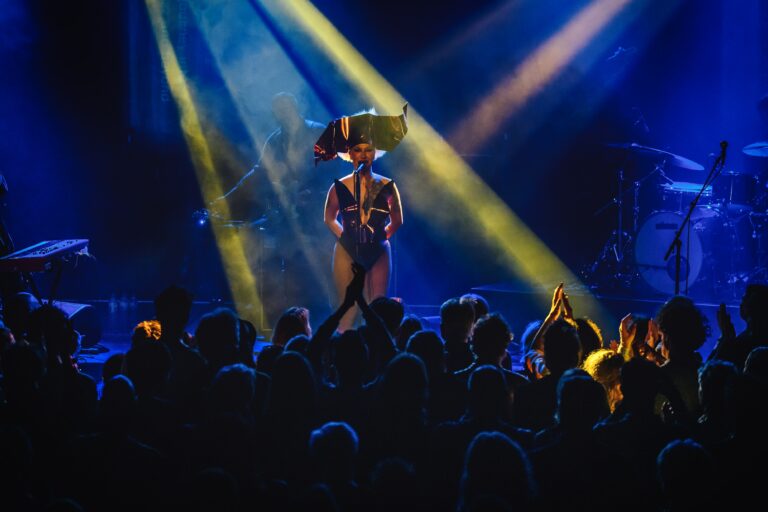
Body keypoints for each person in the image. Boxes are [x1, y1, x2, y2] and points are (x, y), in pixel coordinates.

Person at [315, 106, 408, 331]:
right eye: (358, 149)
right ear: (350, 153)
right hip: (347, 249)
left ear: (375, 152)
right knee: (348, 308)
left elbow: (398, 220)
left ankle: (379, 358)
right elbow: (328, 218)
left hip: (379, 249)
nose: (364, 154)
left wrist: (380, 237)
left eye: (368, 149)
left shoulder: (387, 185)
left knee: (379, 310)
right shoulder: (339, 186)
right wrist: (346, 237)